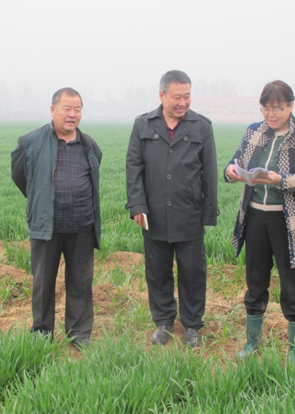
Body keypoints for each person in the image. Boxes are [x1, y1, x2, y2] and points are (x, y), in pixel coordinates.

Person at [224, 80, 295, 363]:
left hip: (288, 220)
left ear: (291, 106)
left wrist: (280, 180)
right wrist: (231, 170)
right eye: (266, 108)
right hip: (255, 216)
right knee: (255, 280)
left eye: (278, 108)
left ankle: (294, 351)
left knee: (292, 284)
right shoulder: (254, 131)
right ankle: (252, 343)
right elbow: (235, 160)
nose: (271, 114)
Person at [126, 70, 219, 348]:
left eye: (187, 96)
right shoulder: (143, 125)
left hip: (189, 213)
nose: (183, 102)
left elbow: (210, 172)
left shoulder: (201, 127)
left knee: (192, 272)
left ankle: (192, 325)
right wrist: (137, 205)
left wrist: (208, 212)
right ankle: (163, 321)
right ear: (162, 95)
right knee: (157, 271)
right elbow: (134, 168)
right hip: (153, 214)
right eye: (177, 97)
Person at [11, 87, 102, 348]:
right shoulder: (30, 142)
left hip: (82, 227)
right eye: (67, 108)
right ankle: (42, 334)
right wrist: (41, 200)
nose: (72, 114)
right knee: (43, 282)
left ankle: (79, 334)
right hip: (46, 227)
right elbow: (20, 176)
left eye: (77, 109)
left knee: (81, 281)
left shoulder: (89, 145)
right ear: (53, 110)